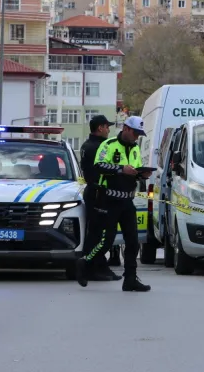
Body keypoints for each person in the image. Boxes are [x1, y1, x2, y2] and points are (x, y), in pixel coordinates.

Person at [75, 116, 153, 292]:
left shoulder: (135, 148)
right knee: (106, 241)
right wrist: (120, 169)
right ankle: (85, 263)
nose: (136, 137)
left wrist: (142, 174)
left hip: (127, 200)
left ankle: (130, 279)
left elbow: (134, 169)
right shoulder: (108, 145)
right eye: (134, 133)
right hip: (109, 200)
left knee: (132, 242)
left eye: (139, 134)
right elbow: (99, 166)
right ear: (125, 129)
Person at [79, 114, 120, 282]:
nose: (109, 129)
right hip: (99, 193)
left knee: (98, 232)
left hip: (94, 191)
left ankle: (99, 265)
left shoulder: (87, 145)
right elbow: (104, 170)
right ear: (100, 128)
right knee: (99, 233)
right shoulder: (98, 147)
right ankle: (93, 267)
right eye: (106, 126)